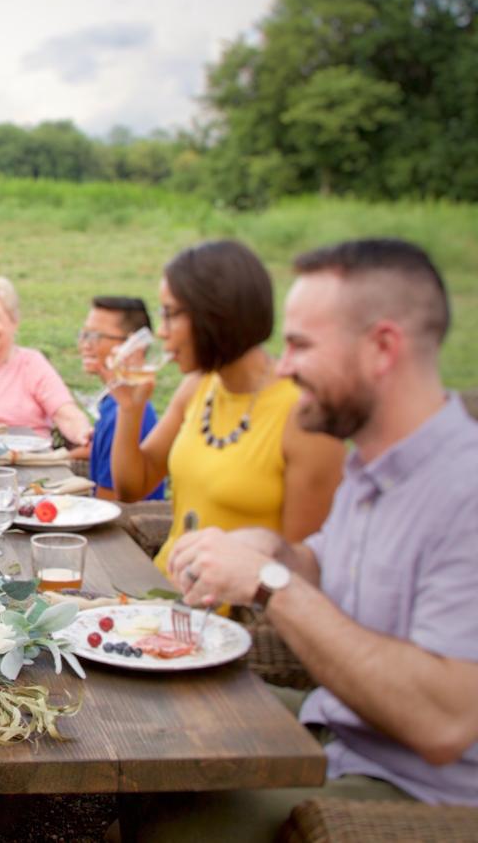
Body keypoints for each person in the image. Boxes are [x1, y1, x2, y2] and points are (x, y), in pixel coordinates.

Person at [131, 238, 478, 841]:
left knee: (166, 807)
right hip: (336, 721)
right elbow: (324, 568)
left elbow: (444, 723)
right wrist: (273, 548)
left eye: (302, 345)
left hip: (408, 788)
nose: (283, 366)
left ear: (383, 349)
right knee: (142, 727)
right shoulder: (377, 464)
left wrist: (271, 582)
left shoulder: (464, 491)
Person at [109, 240, 344, 578]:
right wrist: (130, 410)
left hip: (228, 618)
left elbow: (303, 571)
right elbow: (132, 487)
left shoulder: (304, 417)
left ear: (215, 313)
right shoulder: (199, 386)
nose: (161, 331)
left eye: (171, 314)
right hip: (161, 593)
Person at [0, 276, 93, 445]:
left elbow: (66, 414)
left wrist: (84, 434)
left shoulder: (31, 364)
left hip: (30, 463)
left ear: (14, 321)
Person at [79, 296, 165, 501]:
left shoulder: (125, 412)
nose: (85, 344)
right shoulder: (111, 404)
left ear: (135, 345)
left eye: (96, 336)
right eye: (84, 334)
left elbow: (108, 507)